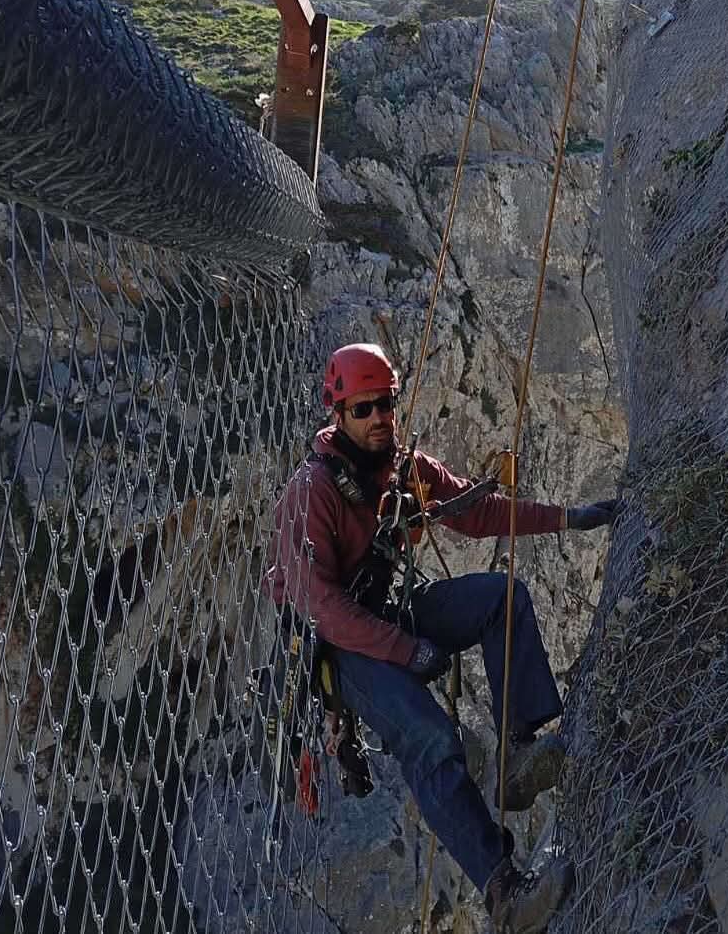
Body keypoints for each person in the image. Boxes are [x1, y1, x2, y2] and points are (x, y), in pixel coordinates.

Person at [265, 343, 618, 934]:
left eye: (388, 405)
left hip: (385, 609)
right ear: (339, 414)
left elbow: (475, 512)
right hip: (341, 645)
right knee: (430, 738)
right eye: (365, 409)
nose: (380, 418)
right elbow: (323, 608)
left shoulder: (400, 468)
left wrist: (566, 517)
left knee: (501, 599)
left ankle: (515, 754)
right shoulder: (314, 493)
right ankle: (504, 892)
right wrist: (407, 651)